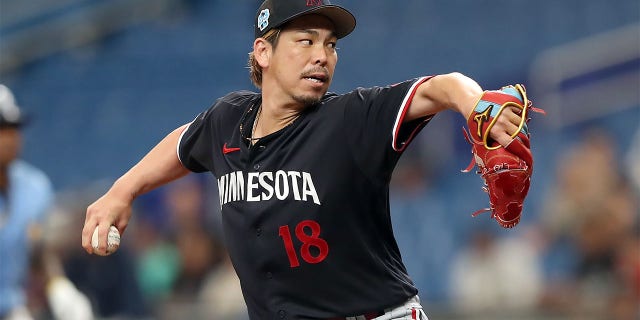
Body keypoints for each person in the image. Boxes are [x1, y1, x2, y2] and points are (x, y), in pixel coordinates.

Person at [82, 0, 532, 319]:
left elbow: (442, 86)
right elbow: (185, 142)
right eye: (306, 40)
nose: (323, 55)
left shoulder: (350, 118)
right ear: (264, 52)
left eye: (331, 44)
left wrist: (476, 106)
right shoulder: (227, 121)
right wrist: (124, 190)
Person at [0, 84, 93, 320]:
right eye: (1, 129)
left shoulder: (34, 187)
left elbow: (37, 248)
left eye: (13, 128)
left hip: (10, 307)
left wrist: (59, 285)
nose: (9, 138)